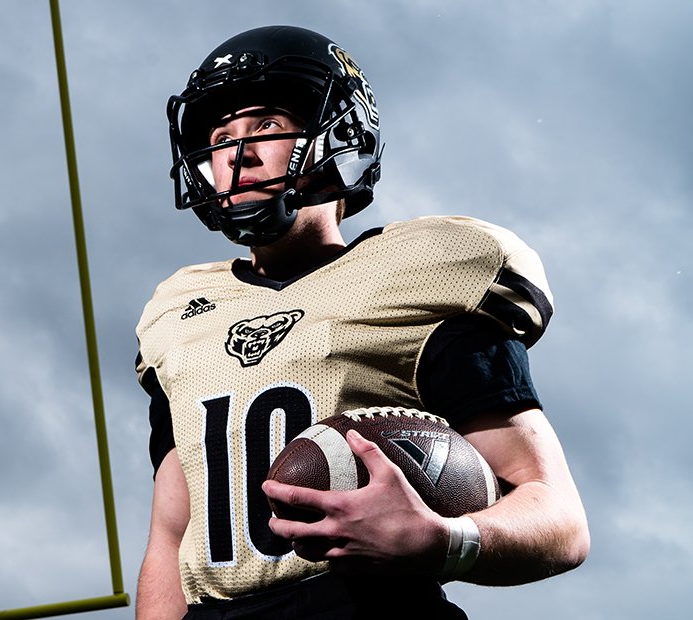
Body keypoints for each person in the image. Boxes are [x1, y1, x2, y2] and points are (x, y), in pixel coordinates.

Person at [133, 25, 589, 619]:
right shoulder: (177, 312)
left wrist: (439, 541)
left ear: (341, 135)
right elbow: (171, 539)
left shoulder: (422, 274)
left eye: (265, 126)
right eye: (221, 137)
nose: (237, 152)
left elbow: (560, 519)